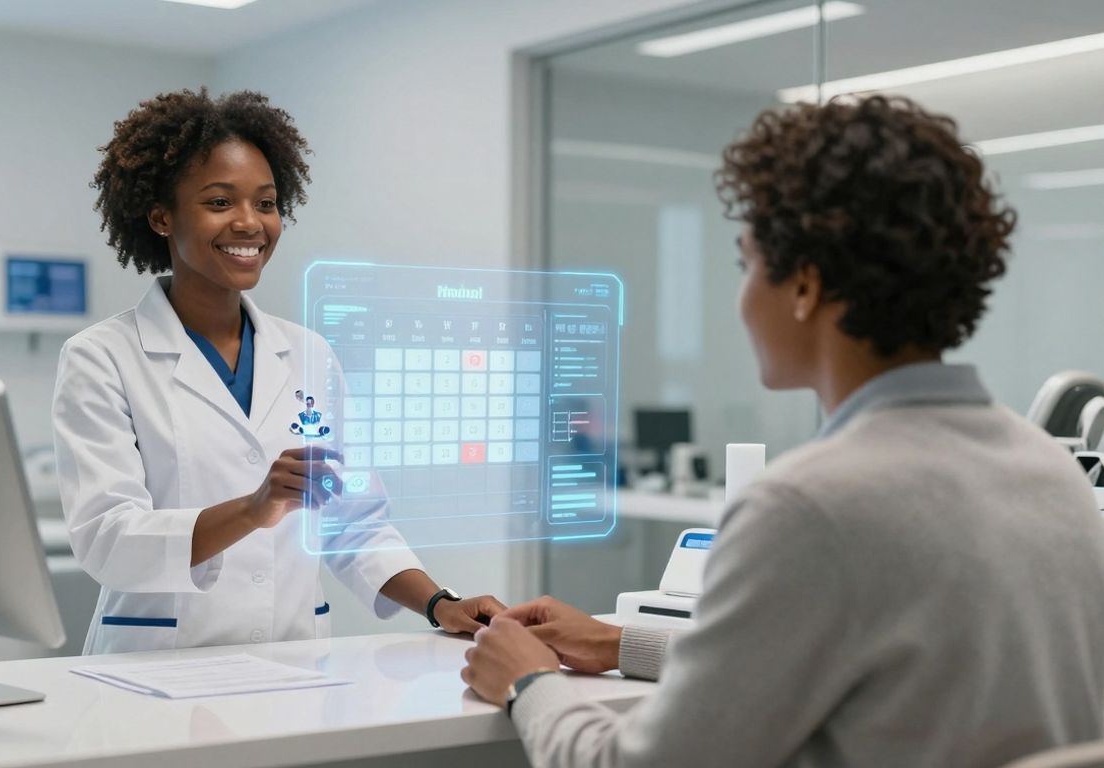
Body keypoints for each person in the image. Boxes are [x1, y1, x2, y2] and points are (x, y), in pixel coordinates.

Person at [462, 95, 1104, 767]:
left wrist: (526, 682)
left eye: (746, 265)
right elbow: (883, 672)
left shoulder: (808, 507)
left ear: (804, 286)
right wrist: (622, 644)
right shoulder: (1052, 474)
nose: (741, 299)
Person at [53, 88, 503, 654]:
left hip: (292, 654)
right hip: (157, 664)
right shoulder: (104, 356)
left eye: (265, 203)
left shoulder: (310, 353)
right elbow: (109, 540)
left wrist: (443, 605)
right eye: (220, 203)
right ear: (161, 217)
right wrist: (253, 508)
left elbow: (353, 523)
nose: (250, 224)